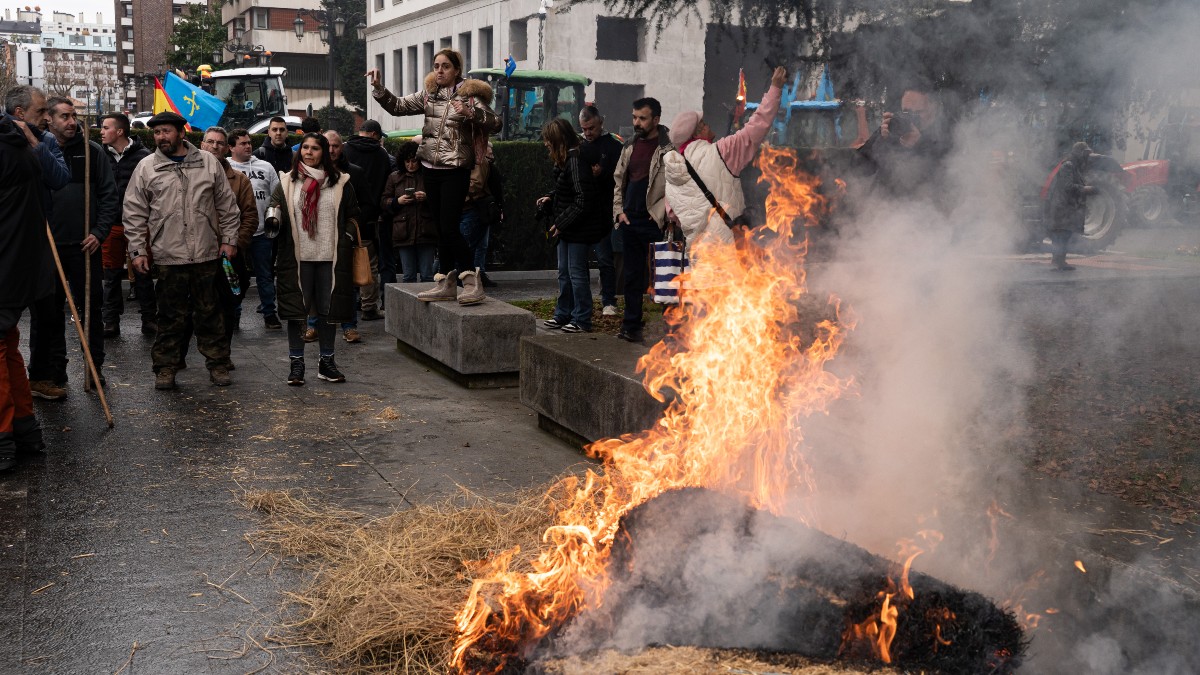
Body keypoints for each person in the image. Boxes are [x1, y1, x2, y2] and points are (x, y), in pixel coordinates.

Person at [367, 47, 501, 305]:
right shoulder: (429, 95)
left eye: (445, 66)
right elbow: (397, 106)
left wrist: (471, 113)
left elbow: (496, 123)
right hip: (430, 167)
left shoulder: (470, 96)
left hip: (455, 169)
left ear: (457, 70)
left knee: (450, 227)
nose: (439, 70)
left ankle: (472, 282)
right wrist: (379, 89)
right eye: (436, 66)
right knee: (440, 229)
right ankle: (446, 283)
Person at [123, 111, 241, 390]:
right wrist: (138, 250)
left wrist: (229, 240)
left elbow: (227, 206)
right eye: (157, 132)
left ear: (181, 133)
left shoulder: (208, 162)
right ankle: (166, 368)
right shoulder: (146, 167)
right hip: (168, 256)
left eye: (166, 131)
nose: (161, 137)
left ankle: (218, 365)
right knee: (169, 318)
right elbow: (134, 212)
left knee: (211, 314)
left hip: (207, 253)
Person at [27, 97, 117, 400]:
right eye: (64, 116)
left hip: (84, 246)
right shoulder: (37, 152)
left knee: (90, 310)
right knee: (46, 313)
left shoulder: (92, 152)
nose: (71, 121)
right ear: (49, 120)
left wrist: (98, 232)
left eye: (73, 115)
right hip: (47, 248)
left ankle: (94, 367)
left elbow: (108, 196)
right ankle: (53, 371)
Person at [663, 66, 785, 259]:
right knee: (732, 288)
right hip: (728, 251)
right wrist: (775, 88)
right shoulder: (721, 152)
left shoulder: (672, 172)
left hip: (698, 254)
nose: (709, 125)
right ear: (697, 132)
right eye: (704, 123)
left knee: (705, 289)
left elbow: (673, 215)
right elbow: (756, 127)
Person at [268, 132, 361, 385]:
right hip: (298, 258)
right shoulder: (287, 182)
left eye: (315, 148)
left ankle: (326, 362)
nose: (309, 152)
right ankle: (296, 364)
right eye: (305, 148)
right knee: (297, 313)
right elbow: (274, 209)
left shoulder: (341, 182)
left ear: (325, 153)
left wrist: (347, 238)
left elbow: (354, 216)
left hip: (331, 258)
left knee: (328, 313)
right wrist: (274, 219)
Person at [0, 113, 51, 471]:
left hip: (6, 261)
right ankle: (23, 430)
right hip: (16, 262)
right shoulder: (15, 144)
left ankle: (5, 438)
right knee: (6, 346)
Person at [612, 97, 674, 343]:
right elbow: (618, 181)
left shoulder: (669, 149)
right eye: (634, 117)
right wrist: (619, 211)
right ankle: (631, 326)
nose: (637, 123)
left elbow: (676, 186)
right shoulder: (629, 145)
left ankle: (672, 331)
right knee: (632, 277)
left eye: (642, 118)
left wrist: (659, 213)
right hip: (630, 221)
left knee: (665, 277)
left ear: (656, 120)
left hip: (656, 223)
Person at [538, 118, 607, 333]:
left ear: (558, 140)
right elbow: (568, 190)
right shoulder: (568, 159)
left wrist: (560, 222)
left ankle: (581, 319)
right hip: (569, 227)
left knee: (576, 274)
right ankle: (564, 314)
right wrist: (551, 198)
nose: (546, 144)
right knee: (565, 273)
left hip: (577, 228)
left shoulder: (575, 160)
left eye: (549, 140)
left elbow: (582, 199)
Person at [195, 127, 257, 361]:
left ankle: (222, 355)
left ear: (227, 147)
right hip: (198, 254)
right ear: (202, 145)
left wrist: (235, 244)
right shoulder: (192, 175)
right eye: (210, 142)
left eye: (220, 143)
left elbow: (250, 216)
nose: (215, 146)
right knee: (200, 307)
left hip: (229, 256)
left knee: (228, 306)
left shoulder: (239, 181)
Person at [99, 112, 155, 337]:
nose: (101, 132)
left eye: (105, 127)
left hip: (138, 225)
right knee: (111, 275)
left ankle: (149, 319)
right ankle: (111, 320)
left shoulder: (144, 157)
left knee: (143, 273)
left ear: (119, 131)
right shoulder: (99, 155)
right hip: (110, 224)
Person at [856, 81, 952, 206]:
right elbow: (860, 164)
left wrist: (918, 145)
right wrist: (884, 139)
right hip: (881, 212)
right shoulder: (892, 129)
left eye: (917, 113)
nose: (910, 118)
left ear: (933, 108)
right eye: (906, 112)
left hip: (924, 216)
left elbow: (945, 182)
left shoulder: (948, 134)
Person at [228, 127, 283, 328]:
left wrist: (273, 214)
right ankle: (234, 313)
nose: (248, 146)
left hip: (261, 233)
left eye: (249, 142)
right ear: (231, 147)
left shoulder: (266, 167)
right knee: (235, 277)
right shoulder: (225, 167)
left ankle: (269, 313)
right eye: (242, 143)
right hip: (236, 234)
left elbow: (278, 195)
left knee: (265, 275)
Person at [342, 119, 392, 320]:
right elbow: (385, 182)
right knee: (369, 262)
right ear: (374, 134)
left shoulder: (346, 151)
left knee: (343, 261)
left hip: (345, 215)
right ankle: (369, 306)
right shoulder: (381, 154)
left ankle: (343, 305)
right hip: (370, 216)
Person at [579, 104, 623, 316]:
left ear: (600, 123)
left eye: (592, 129)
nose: (588, 134)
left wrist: (602, 174)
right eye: (584, 129)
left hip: (603, 212)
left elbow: (620, 180)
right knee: (580, 261)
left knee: (605, 259)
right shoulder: (578, 146)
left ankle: (609, 301)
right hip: (582, 212)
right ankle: (583, 302)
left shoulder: (614, 146)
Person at [2, 85, 71, 214]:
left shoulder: (46, 139)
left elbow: (60, 180)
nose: (47, 118)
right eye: (40, 111)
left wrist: (36, 144)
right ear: (20, 113)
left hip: (39, 224)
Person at [381, 141, 438, 283]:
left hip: (426, 231)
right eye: (407, 162)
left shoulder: (428, 176)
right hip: (403, 232)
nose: (410, 165)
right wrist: (397, 201)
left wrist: (427, 197)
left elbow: (441, 199)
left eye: (414, 161)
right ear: (402, 161)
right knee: (408, 276)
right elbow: (383, 201)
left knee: (427, 275)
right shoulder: (394, 177)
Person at [1046, 142, 1096, 271]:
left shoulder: (1073, 166)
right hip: (1063, 208)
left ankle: (1059, 261)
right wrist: (1085, 189)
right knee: (1061, 235)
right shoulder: (1068, 166)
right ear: (1080, 153)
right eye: (1086, 154)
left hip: (1065, 208)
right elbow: (1068, 187)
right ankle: (1059, 262)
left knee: (1064, 235)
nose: (1087, 157)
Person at [460, 142, 504, 287]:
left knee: (469, 247)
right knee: (473, 246)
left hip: (473, 208)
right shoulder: (469, 159)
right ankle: (473, 278)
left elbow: (476, 185)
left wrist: (454, 193)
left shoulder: (479, 161)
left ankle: (471, 280)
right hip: (471, 209)